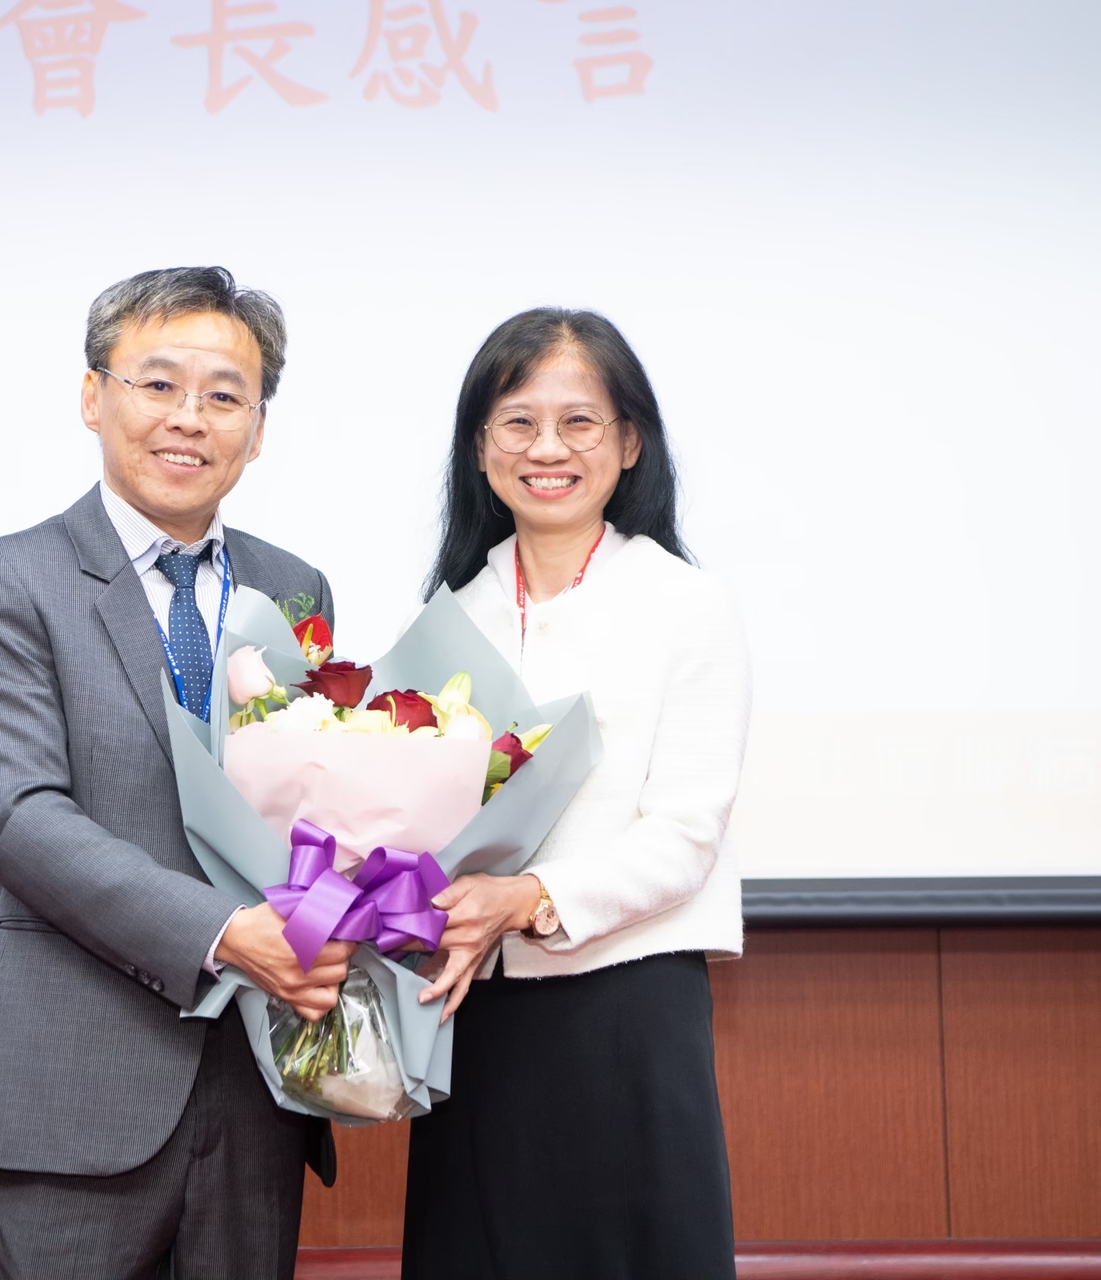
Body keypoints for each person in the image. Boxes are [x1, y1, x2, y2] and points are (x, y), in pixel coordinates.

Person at [0, 266, 354, 1280]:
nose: (189, 419)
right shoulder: (7, 579)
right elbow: (21, 819)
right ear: (94, 396)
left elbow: (317, 802)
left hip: (258, 1086)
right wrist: (223, 934)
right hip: (80, 1084)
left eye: (224, 395)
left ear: (258, 428)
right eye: (158, 384)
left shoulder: (295, 587)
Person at [402, 308, 751, 1279]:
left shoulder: (687, 604)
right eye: (517, 422)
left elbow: (686, 835)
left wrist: (527, 897)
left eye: (579, 422)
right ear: (480, 446)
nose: (546, 448)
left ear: (629, 442)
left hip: (627, 1012)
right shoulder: (450, 617)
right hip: (474, 1017)